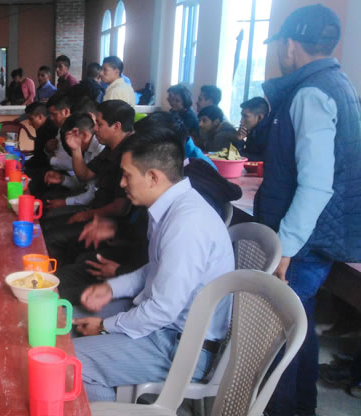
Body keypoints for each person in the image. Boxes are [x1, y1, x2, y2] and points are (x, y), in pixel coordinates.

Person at [71, 128, 234, 402]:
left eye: (127, 175)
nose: (122, 183)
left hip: (182, 346)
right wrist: (111, 289)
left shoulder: (186, 224)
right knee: (67, 322)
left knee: (71, 364)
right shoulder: (169, 207)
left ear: (153, 177)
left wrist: (104, 326)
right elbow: (155, 270)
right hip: (163, 326)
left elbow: (161, 309)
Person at [259, 5, 361, 415]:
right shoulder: (339, 83)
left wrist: (286, 247)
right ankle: (303, 408)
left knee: (279, 337)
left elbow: (317, 183)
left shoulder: (310, 94)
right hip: (317, 236)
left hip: (301, 241)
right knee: (299, 327)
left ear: (290, 45)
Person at [43, 100, 135, 266]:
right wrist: (76, 149)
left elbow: (120, 207)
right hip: (95, 209)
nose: (95, 129)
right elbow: (84, 175)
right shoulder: (110, 148)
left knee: (51, 236)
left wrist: (87, 214)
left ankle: (55, 276)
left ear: (116, 126)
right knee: (48, 224)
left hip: (111, 223)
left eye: (99, 124)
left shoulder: (130, 153)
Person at [237, 96, 270, 160]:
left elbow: (262, 160)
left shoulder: (270, 134)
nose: (241, 121)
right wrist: (240, 140)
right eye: (242, 115)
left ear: (260, 117)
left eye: (245, 116)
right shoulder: (253, 131)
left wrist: (239, 154)